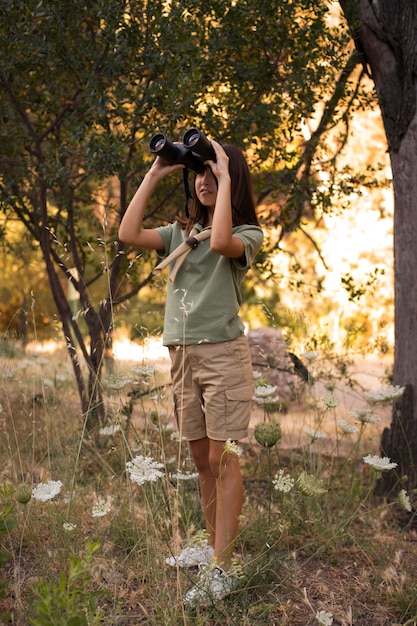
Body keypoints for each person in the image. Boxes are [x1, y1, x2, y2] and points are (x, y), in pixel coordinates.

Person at [118, 135, 263, 606]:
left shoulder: (246, 235)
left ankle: (224, 567)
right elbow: (127, 234)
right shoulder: (179, 234)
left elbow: (220, 241)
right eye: (196, 172)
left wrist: (224, 174)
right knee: (201, 460)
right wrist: (157, 171)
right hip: (181, 355)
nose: (202, 180)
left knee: (222, 459)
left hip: (222, 355)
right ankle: (208, 546)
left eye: (211, 172)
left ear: (230, 179)